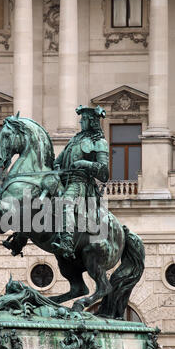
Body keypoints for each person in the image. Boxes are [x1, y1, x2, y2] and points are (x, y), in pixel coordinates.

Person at [51, 105, 109, 259]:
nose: (81, 123)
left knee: (65, 202)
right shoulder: (74, 140)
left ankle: (67, 242)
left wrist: (84, 164)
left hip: (82, 184)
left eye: (83, 119)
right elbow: (58, 161)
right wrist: (56, 168)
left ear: (91, 121)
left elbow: (104, 172)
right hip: (64, 181)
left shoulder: (99, 142)